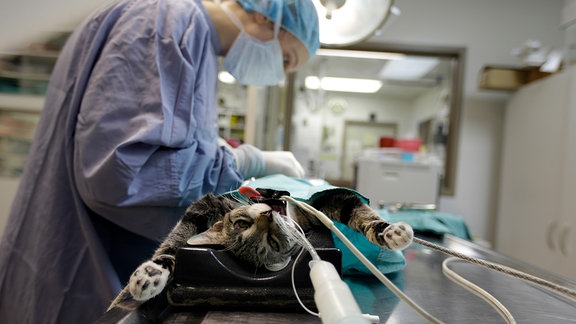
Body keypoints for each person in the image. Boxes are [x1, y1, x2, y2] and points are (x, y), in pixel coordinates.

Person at [0, 0, 320, 322]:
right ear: (266, 17)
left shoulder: (193, 40)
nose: (278, 73)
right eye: (286, 58)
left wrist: (222, 156)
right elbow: (121, 174)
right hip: (79, 263)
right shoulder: (164, 23)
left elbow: (161, 137)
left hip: (109, 254)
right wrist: (241, 162)